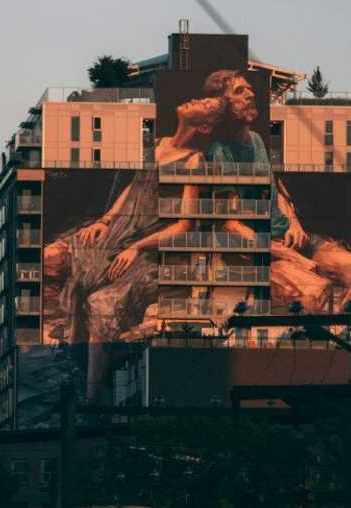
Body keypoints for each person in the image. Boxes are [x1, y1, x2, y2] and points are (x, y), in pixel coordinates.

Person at [43, 97, 222, 399]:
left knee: (102, 304)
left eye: (204, 103)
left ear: (204, 126)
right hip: (120, 231)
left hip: (153, 248)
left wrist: (137, 248)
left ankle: (90, 395)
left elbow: (184, 225)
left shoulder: (194, 162)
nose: (194, 99)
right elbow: (135, 186)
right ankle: (73, 362)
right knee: (61, 261)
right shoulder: (159, 144)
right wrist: (107, 220)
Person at [201, 70, 351, 312]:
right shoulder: (219, 152)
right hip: (265, 252)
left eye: (248, 88)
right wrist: (291, 257)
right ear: (222, 105)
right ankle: (323, 340)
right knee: (313, 293)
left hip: (296, 238)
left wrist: (294, 222)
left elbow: (275, 185)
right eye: (239, 91)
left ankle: (349, 334)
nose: (251, 94)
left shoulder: (255, 140)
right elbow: (230, 224)